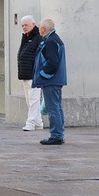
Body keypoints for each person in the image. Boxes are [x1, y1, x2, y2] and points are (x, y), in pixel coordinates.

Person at [33, 18, 67, 146]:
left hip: (51, 80)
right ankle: (58, 135)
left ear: (43, 29)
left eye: (40, 27)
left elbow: (52, 62)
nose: (38, 29)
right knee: (56, 108)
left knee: (53, 108)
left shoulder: (51, 40)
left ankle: (56, 136)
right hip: (55, 80)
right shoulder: (54, 39)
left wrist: (43, 75)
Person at [17, 16, 43, 130]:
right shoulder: (26, 37)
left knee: (34, 100)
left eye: (26, 25)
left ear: (33, 24)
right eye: (22, 25)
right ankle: (38, 122)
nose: (24, 27)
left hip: (34, 74)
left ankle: (31, 123)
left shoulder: (38, 37)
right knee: (29, 100)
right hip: (25, 74)